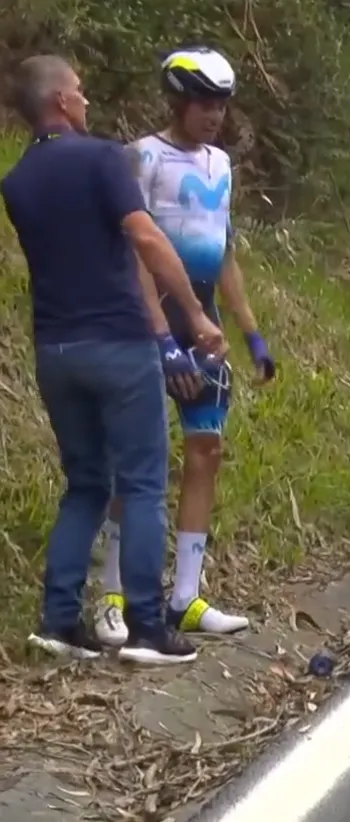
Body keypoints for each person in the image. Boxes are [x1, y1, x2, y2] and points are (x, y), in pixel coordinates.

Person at [1, 55, 226, 664]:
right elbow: (145, 237)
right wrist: (195, 312)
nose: (87, 100)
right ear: (60, 103)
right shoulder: (102, 157)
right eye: (79, 91)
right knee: (145, 484)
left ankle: (57, 621)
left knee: (85, 486)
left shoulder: (16, 180)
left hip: (55, 348)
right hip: (119, 344)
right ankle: (149, 628)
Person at [92, 46, 275, 645]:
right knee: (137, 461)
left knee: (206, 451)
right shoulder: (141, 156)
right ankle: (113, 593)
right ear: (177, 101)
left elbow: (222, 252)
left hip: (205, 321)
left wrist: (250, 332)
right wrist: (163, 336)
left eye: (221, 103)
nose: (213, 114)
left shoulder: (222, 163)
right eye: (202, 102)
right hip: (150, 323)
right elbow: (134, 249)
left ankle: (186, 596)